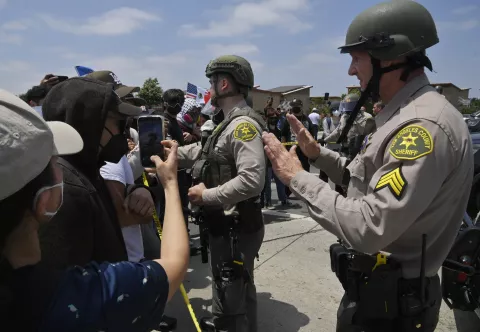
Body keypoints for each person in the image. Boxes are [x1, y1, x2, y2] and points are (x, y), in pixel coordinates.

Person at [262, 1, 473, 331]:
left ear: (388, 57)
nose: (350, 70)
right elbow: (367, 179)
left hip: (391, 310)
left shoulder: (423, 127)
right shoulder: (406, 115)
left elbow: (369, 227)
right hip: (382, 298)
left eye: (356, 58)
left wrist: (297, 177)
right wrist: (318, 155)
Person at [0, 89, 189, 331]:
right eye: (53, 160)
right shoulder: (65, 298)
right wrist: (170, 183)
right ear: (42, 199)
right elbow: (174, 265)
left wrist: (132, 190)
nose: (62, 167)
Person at [157, 55, 266, 332]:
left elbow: (252, 180)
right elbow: (206, 152)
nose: (210, 88)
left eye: (212, 82)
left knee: (231, 284)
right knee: (236, 284)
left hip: (236, 224)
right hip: (229, 223)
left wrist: (207, 196)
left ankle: (230, 325)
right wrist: (172, 154)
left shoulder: (242, 126)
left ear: (225, 83)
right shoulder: (226, 123)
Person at [39, 77, 154, 269]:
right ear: (90, 125)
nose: (123, 133)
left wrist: (137, 189)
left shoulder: (89, 171)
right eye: (118, 124)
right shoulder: (67, 188)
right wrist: (171, 184)